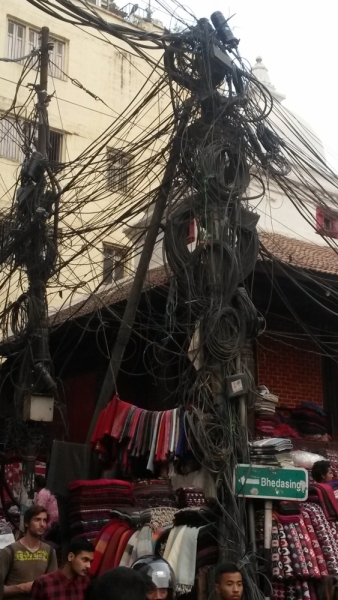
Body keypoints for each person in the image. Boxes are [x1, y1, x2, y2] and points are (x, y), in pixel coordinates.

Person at [0, 505, 57, 599]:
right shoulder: (9, 552)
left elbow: (53, 586)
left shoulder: (50, 551)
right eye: (37, 520)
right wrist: (21, 588)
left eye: (44, 520)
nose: (42, 524)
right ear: (26, 523)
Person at [30, 538, 94, 600]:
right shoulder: (43, 583)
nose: (88, 566)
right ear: (71, 557)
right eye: (85, 560)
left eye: (90, 561)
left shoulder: (85, 582)